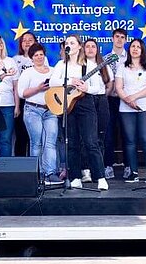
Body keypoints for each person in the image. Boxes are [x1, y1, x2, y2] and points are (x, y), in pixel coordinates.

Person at [49, 35, 109, 190]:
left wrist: (86, 88)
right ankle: (75, 176)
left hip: (85, 104)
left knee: (91, 141)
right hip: (67, 105)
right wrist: (70, 81)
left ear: (79, 46)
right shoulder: (62, 64)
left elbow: (98, 88)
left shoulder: (88, 64)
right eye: (67, 43)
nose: (69, 45)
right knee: (72, 143)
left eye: (72, 43)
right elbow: (52, 82)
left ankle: (100, 177)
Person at [17, 43, 63, 185]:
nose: (39, 57)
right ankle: (37, 173)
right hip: (33, 110)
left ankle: (50, 173)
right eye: (36, 55)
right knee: (36, 143)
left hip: (50, 109)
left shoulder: (54, 71)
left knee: (50, 142)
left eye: (41, 54)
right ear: (31, 58)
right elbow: (22, 93)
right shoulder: (28, 73)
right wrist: (38, 88)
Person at [115, 38, 146, 183]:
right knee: (130, 141)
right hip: (126, 108)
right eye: (132, 46)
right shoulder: (122, 67)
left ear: (142, 50)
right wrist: (127, 100)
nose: (135, 49)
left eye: (138, 47)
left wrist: (134, 97)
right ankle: (133, 172)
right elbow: (118, 87)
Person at [83, 39, 111, 183]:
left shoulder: (104, 65)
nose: (90, 49)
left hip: (101, 101)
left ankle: (98, 172)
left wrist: (103, 97)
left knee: (100, 138)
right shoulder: (80, 65)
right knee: (87, 138)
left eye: (93, 46)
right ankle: (85, 170)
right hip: (85, 100)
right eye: (87, 46)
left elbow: (109, 83)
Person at [13, 31, 43, 157]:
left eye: (30, 40)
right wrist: (17, 106)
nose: (27, 43)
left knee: (35, 137)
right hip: (21, 99)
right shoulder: (16, 60)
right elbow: (15, 85)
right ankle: (19, 167)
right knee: (21, 135)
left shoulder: (42, 59)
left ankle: (34, 167)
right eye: (24, 40)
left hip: (37, 99)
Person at [104, 28, 128, 180]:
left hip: (126, 100)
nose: (119, 39)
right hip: (111, 100)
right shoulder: (106, 58)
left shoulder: (131, 57)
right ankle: (108, 165)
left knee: (127, 134)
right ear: (112, 39)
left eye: (122, 37)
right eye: (117, 37)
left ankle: (128, 165)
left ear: (126, 40)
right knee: (109, 133)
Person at [0, 34, 20, 157]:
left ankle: (4, 169)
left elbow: (16, 86)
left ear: (1, 46)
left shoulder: (10, 61)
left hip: (8, 105)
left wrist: (17, 106)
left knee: (5, 139)